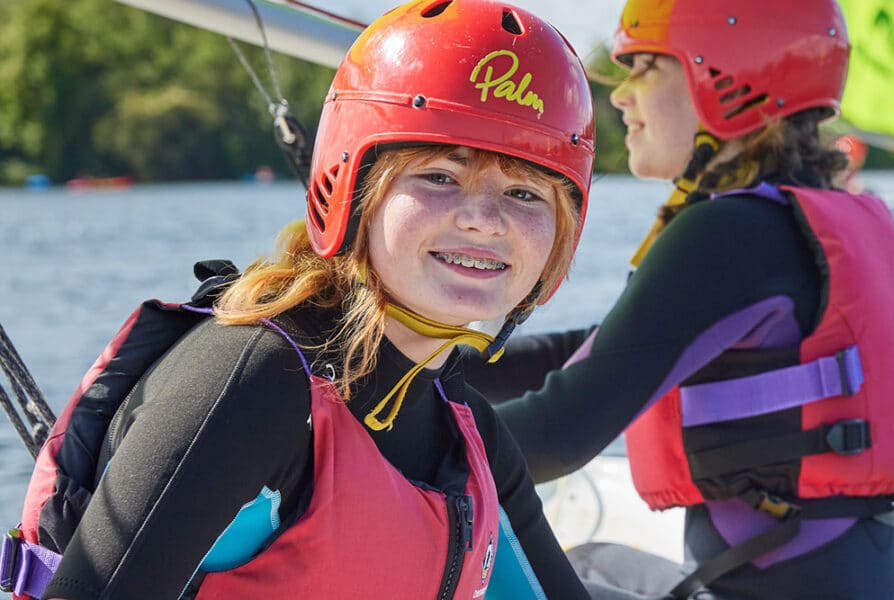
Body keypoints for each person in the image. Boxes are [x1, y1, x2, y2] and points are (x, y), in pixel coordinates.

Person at [12, 1, 597, 598]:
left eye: (526, 192)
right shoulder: (254, 381)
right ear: (353, 189)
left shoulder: (471, 439)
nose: (483, 220)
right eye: (439, 176)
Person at [465, 1, 894, 598]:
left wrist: (386, 443)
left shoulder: (731, 234)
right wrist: (437, 364)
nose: (619, 97)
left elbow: (555, 434)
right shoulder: (802, 219)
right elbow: (603, 351)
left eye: (644, 67)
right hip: (850, 574)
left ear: (726, 77)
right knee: (590, 558)